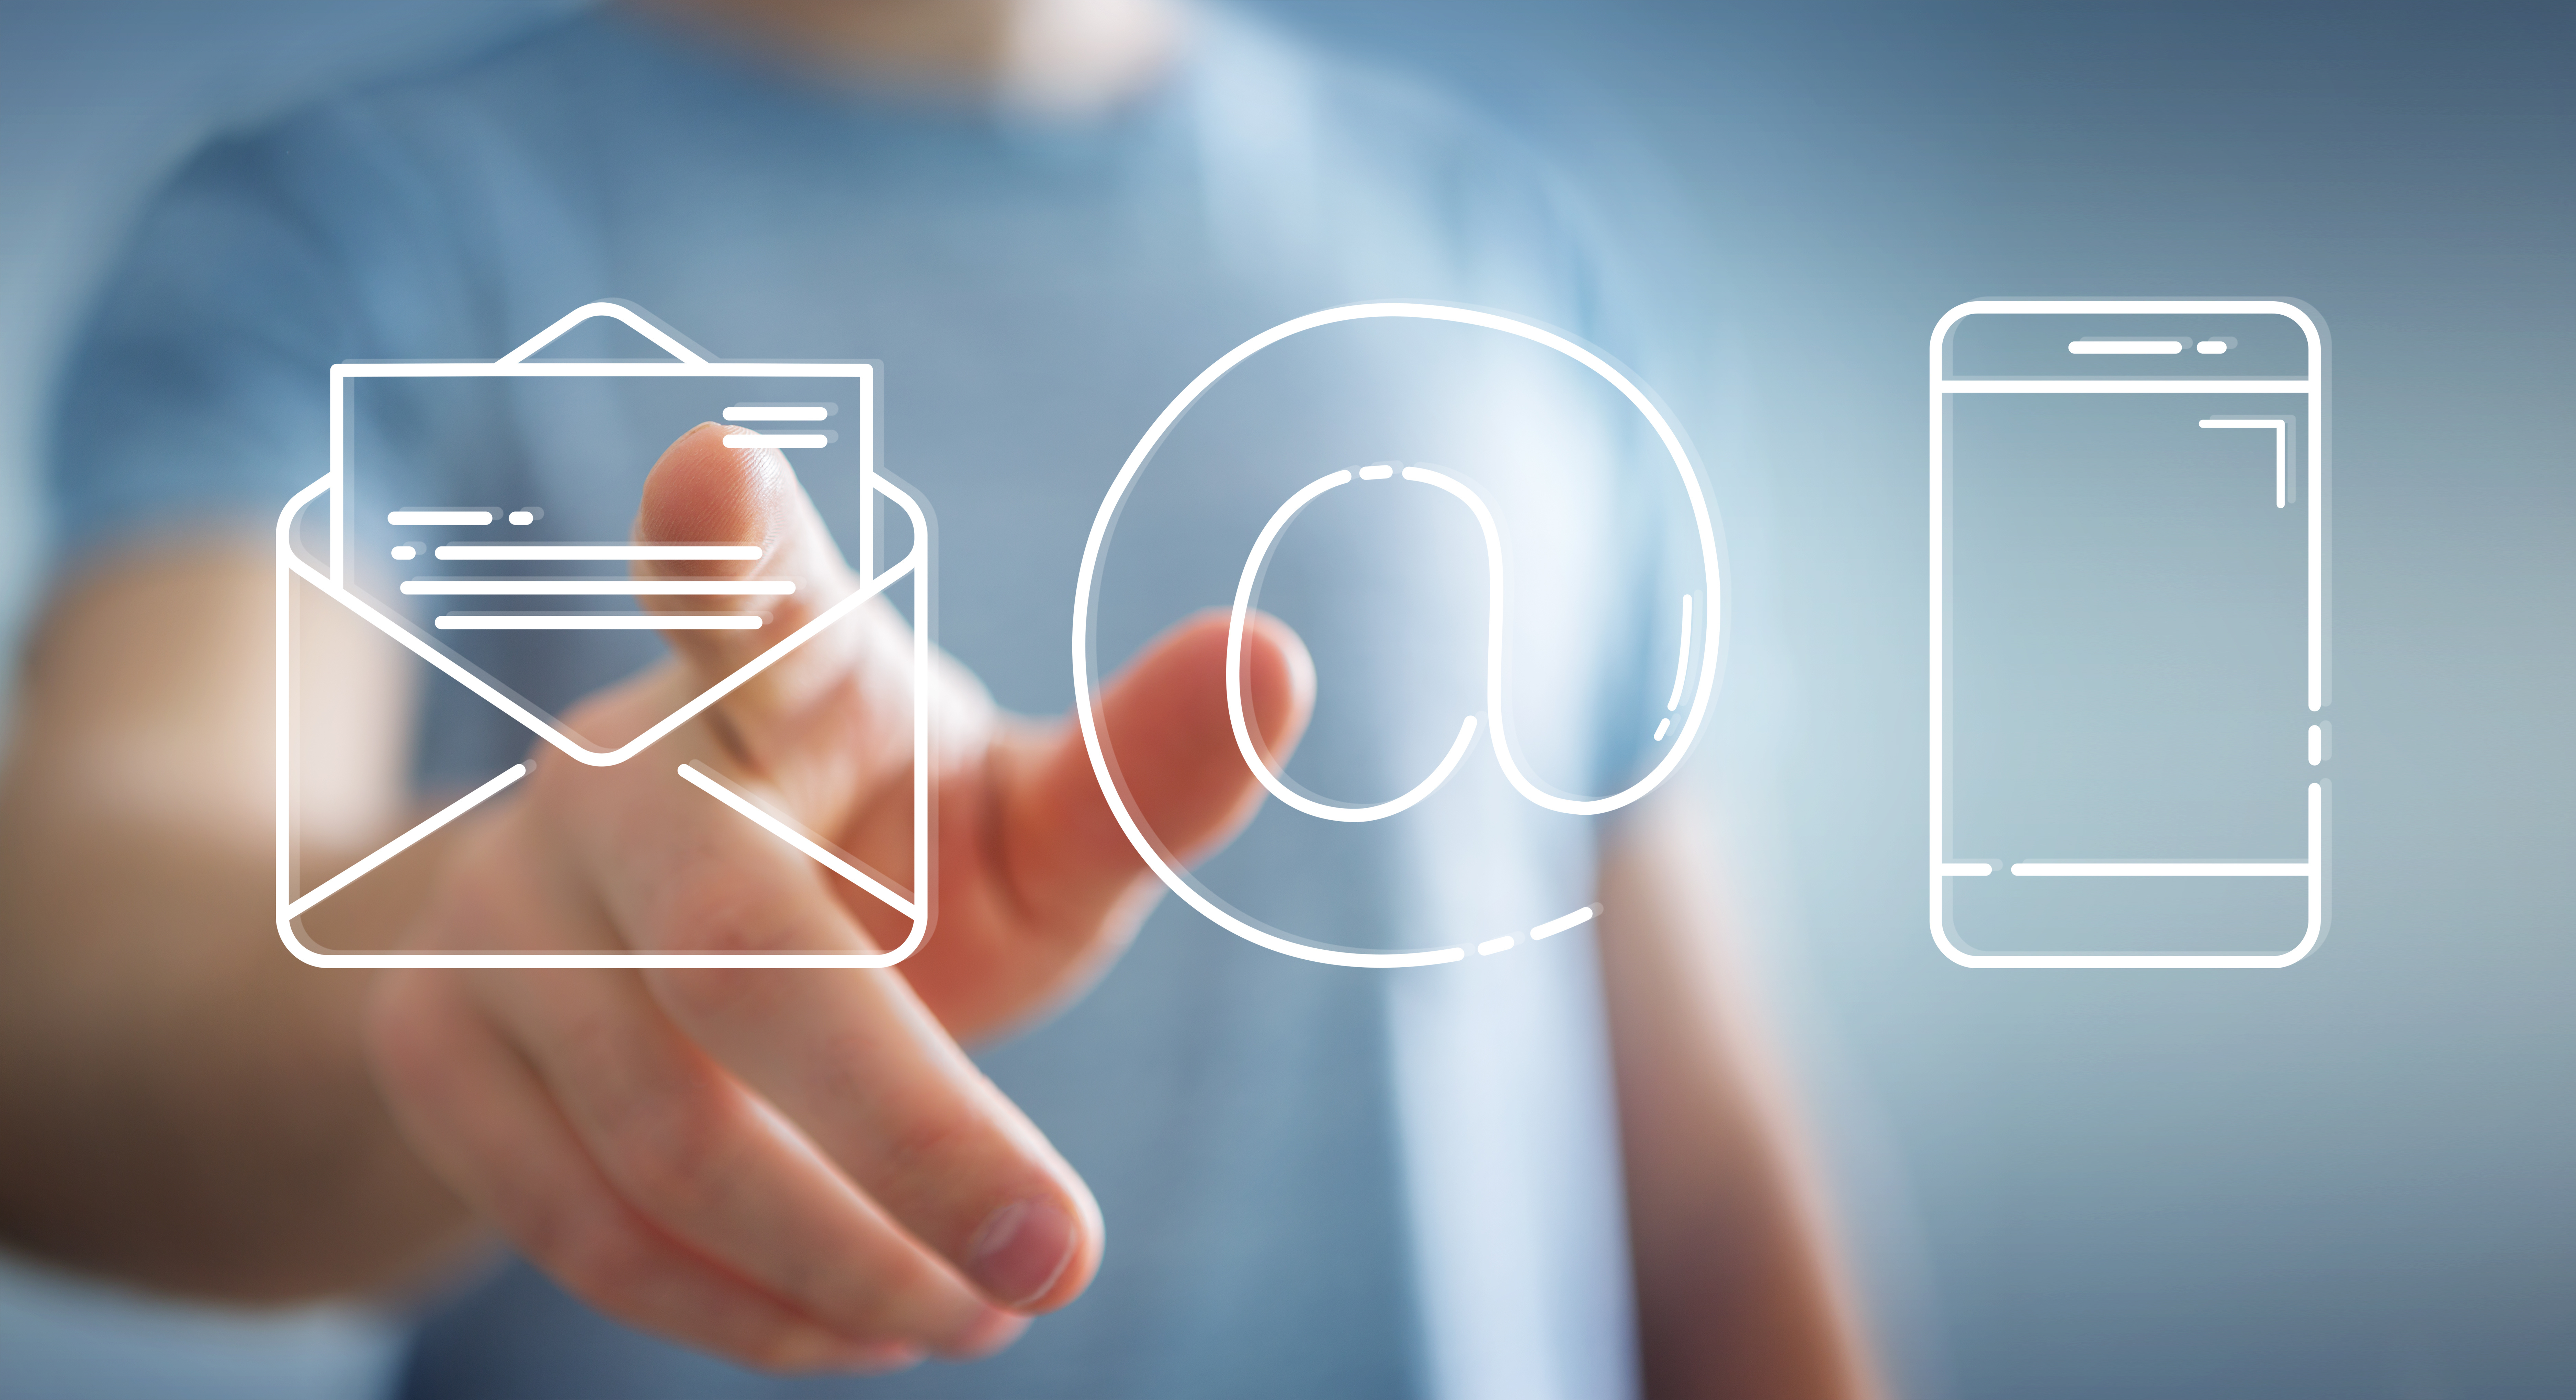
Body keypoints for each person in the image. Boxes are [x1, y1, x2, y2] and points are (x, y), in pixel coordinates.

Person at [0, 1, 1876, 1395]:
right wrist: (483, 945)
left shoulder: (1516, 240)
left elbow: (1699, 1202)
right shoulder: (346, 234)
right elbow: (70, 990)